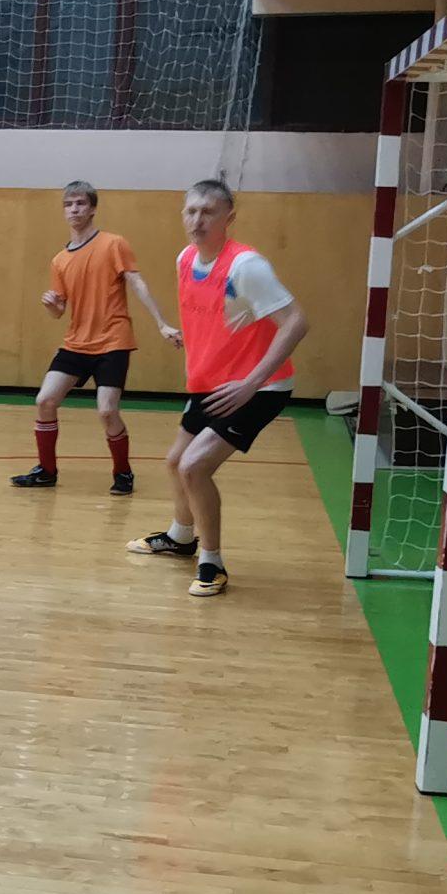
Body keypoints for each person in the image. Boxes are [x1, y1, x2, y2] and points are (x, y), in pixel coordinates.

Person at [128, 179, 308, 598]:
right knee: (175, 462)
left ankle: (212, 562)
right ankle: (180, 537)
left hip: (259, 387)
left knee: (194, 466)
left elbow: (297, 322)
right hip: (211, 384)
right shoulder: (186, 258)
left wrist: (251, 383)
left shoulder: (246, 266)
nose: (198, 220)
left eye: (208, 212)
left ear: (229, 218)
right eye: (191, 211)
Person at [11, 180, 180, 493]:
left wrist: (162, 324)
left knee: (107, 411)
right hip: (76, 343)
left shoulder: (113, 244)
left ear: (92, 208)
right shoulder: (60, 260)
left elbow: (137, 283)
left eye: (80, 203)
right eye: (68, 204)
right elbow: (59, 311)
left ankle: (123, 472)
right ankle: (46, 471)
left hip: (113, 341)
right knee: (45, 400)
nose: (74, 209)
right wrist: (52, 306)